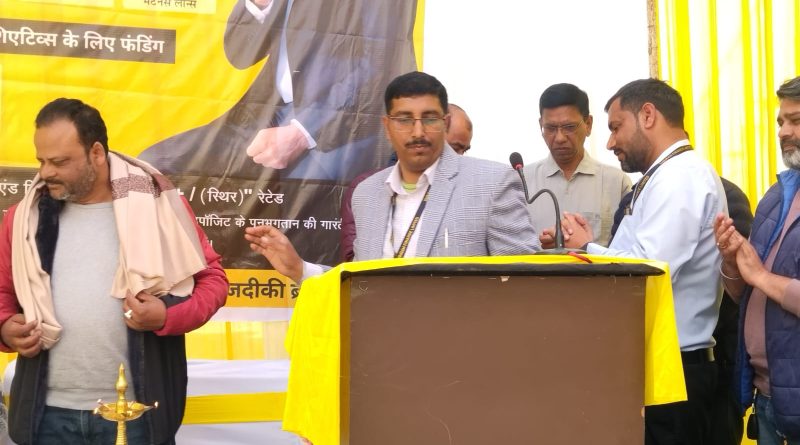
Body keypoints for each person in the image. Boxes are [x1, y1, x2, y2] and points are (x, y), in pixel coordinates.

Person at [0, 98, 228, 445]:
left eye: (59, 162)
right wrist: (5, 326)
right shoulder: (22, 217)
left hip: (136, 415)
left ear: (96, 153)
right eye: (41, 161)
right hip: (46, 417)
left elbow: (212, 282)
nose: (46, 173)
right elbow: (2, 292)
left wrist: (166, 316)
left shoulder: (160, 207)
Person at [246, 71, 540, 282]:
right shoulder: (366, 194)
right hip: (382, 347)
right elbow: (361, 283)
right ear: (387, 126)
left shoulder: (492, 183)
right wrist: (299, 269)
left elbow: (526, 284)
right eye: (404, 120)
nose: (418, 132)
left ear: (445, 122)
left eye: (429, 118)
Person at [560, 78, 727, 444]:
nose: (609, 142)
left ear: (648, 115)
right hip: (660, 365)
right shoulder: (666, 175)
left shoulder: (681, 177)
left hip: (674, 370)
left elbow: (649, 270)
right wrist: (593, 246)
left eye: (616, 127)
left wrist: (588, 248)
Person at [138, 0, 418, 182]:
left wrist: (303, 132)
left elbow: (378, 65)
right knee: (153, 166)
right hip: (269, 111)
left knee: (300, 206)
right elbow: (239, 55)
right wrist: (260, 3)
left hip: (341, 128)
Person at [713, 75, 800, 444]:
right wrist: (732, 263)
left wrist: (761, 275)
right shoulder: (776, 196)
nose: (783, 131)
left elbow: (761, 278)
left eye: (795, 120)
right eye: (781, 121)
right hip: (767, 398)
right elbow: (744, 295)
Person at [526, 83, 631, 247]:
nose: (560, 138)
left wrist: (584, 247)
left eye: (569, 127)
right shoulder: (521, 183)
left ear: (588, 124)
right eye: (551, 128)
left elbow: (627, 248)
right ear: (541, 125)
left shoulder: (616, 182)